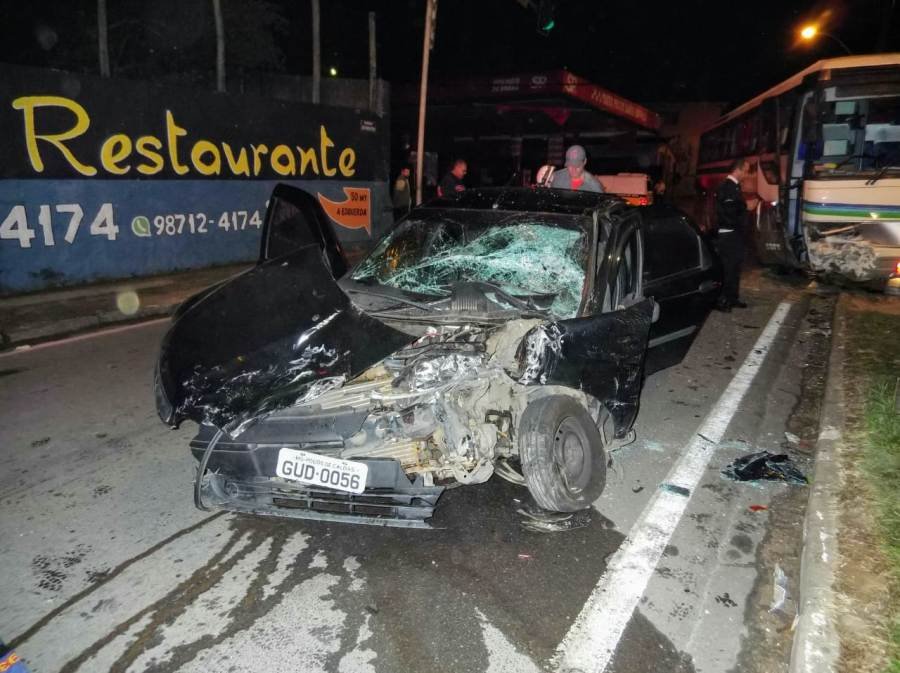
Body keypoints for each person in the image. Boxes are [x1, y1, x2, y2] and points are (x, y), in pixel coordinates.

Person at [714, 157, 751, 311]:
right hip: (729, 233)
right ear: (738, 170)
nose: (747, 175)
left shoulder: (734, 186)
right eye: (746, 171)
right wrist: (746, 208)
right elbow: (729, 212)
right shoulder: (727, 187)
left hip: (735, 233)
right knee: (728, 268)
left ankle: (732, 298)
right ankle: (722, 301)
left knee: (736, 267)